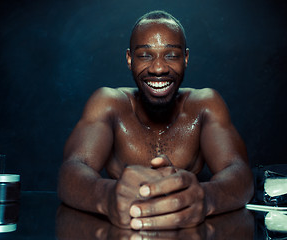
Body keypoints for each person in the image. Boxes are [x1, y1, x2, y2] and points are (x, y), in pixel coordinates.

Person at [57, 10, 254, 230]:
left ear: (185, 58)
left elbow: (240, 174)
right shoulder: (108, 104)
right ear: (130, 59)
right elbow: (71, 171)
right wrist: (107, 197)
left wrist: (205, 198)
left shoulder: (205, 105)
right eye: (145, 55)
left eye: (171, 55)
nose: (158, 68)